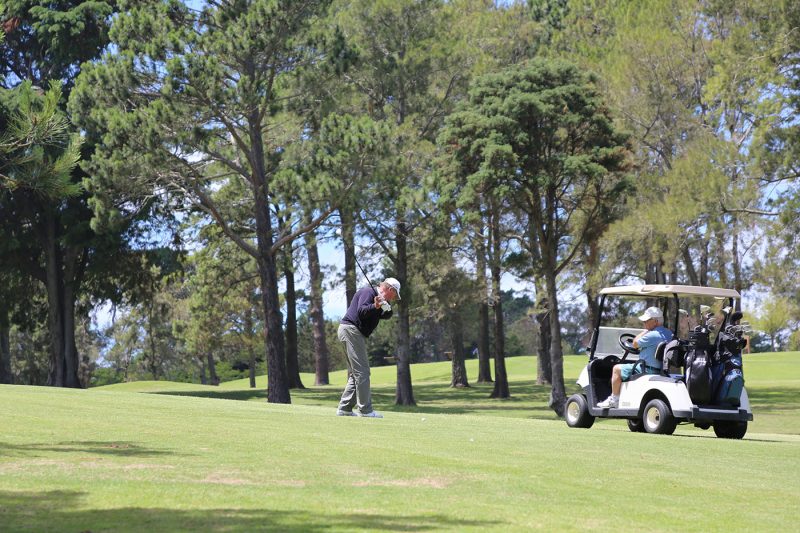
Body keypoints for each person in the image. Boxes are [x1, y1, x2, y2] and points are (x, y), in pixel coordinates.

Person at [336, 277, 401, 418]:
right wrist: (376, 306)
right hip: (351, 330)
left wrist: (385, 308)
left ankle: (345, 408)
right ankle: (365, 410)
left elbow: (387, 315)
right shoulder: (368, 292)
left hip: (350, 332)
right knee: (363, 372)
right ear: (390, 289)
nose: (394, 297)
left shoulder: (380, 299)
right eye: (394, 294)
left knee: (356, 373)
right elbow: (362, 311)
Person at [597, 306, 673, 408]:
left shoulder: (651, 335)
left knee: (616, 369)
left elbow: (635, 343)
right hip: (660, 369)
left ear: (655, 321)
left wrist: (645, 331)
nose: (644, 323)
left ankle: (614, 398)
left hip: (646, 369)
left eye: (646, 320)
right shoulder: (669, 333)